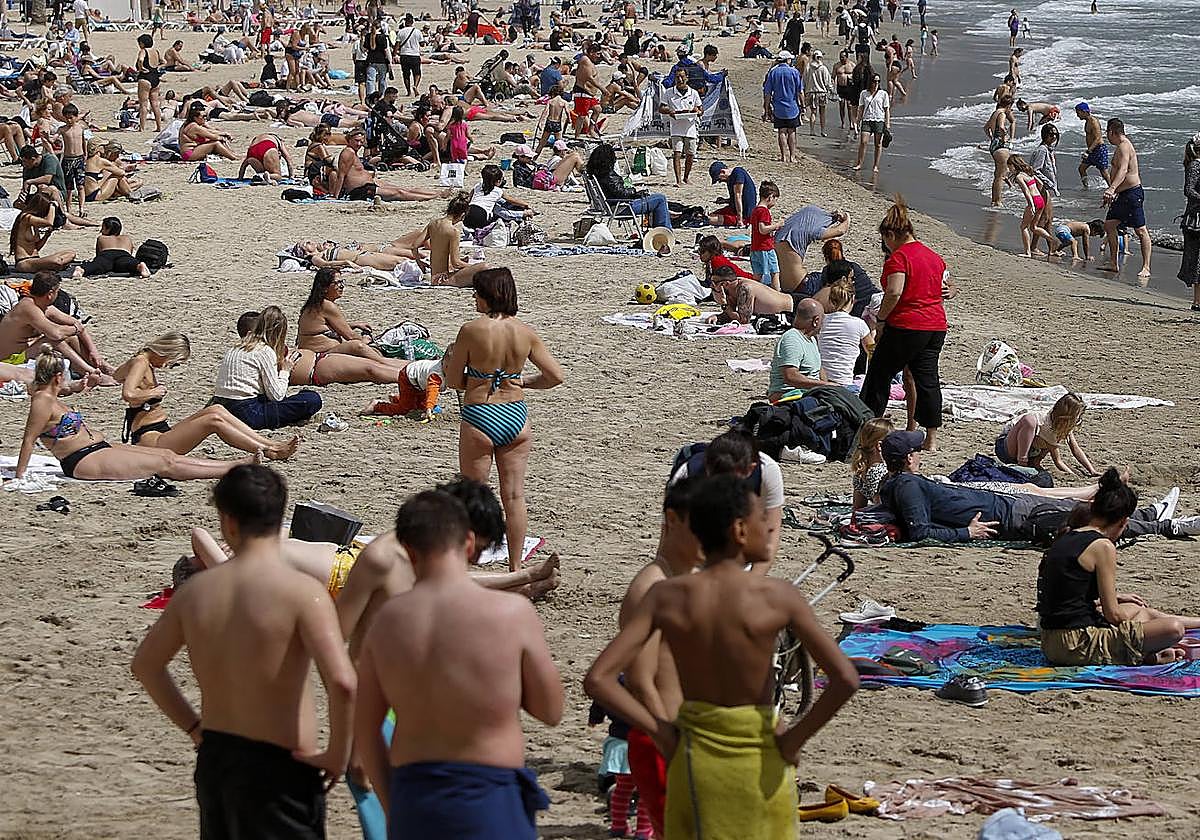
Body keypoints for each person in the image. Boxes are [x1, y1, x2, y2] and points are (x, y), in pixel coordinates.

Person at [584, 474, 859, 840]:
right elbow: (845, 679)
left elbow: (599, 678)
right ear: (740, 530)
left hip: (695, 755)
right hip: (761, 756)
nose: (770, 530)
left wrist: (662, 732)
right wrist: (794, 740)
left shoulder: (667, 596)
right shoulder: (778, 597)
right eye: (764, 521)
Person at [132, 465, 356, 839]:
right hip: (285, 760)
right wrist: (338, 753)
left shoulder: (194, 594)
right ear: (281, 515)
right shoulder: (301, 593)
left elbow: (146, 666)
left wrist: (193, 727)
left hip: (218, 756)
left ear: (228, 522)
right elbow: (344, 683)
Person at [353, 490, 562, 836]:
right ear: (468, 542)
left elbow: (367, 729)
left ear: (408, 549)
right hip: (489, 794)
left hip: (415, 794)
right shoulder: (511, 614)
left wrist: (393, 806)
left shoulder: (387, 622)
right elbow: (550, 711)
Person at [441, 268, 564, 571]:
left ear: (488, 295)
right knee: (514, 495)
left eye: (477, 292)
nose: (473, 298)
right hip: (516, 415)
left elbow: (455, 380)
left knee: (472, 493)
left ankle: (463, 567)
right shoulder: (525, 332)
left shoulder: (471, 330)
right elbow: (555, 376)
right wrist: (523, 382)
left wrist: (478, 377)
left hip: (481, 413)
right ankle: (515, 567)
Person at [877, 430, 1200, 542]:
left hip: (1009, 506)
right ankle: (1167, 527)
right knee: (1087, 519)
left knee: (1081, 508)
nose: (921, 453)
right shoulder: (906, 486)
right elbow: (919, 530)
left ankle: (1149, 513)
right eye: (916, 450)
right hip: (1013, 517)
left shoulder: (898, 483)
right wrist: (966, 533)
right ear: (907, 458)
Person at [1037, 468, 1200, 666]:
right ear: (1124, 522)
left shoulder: (1068, 535)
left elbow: (1066, 598)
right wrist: (1138, 626)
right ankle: (1145, 655)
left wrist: (1131, 612)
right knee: (1173, 629)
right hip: (1075, 644)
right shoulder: (1102, 546)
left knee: (1137, 610)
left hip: (1050, 639)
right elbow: (1113, 615)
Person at [14, 346, 250, 481]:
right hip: (82, 460)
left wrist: (87, 383)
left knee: (166, 454)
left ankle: (233, 465)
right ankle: (231, 469)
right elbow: (28, 439)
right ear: (56, 376)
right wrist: (20, 476)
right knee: (164, 463)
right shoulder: (42, 401)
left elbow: (69, 388)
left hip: (98, 448)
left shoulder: (50, 394)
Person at [617, 478, 704, 838]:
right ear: (673, 521)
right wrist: (671, 742)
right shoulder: (652, 587)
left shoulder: (688, 578)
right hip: (666, 736)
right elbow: (639, 679)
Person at [859, 198, 954, 450]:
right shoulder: (934, 257)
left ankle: (869, 428)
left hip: (907, 325)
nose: (886, 247)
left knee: (879, 376)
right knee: (928, 380)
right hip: (936, 326)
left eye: (885, 241)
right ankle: (930, 439)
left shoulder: (899, 258)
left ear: (891, 234)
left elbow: (894, 292)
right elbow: (944, 287)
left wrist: (881, 319)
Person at [115, 332, 299, 459]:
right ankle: (269, 450)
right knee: (212, 422)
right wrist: (154, 391)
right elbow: (128, 394)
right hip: (152, 440)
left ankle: (271, 444)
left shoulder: (138, 360)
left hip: (159, 431)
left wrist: (99, 376)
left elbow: (117, 376)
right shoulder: (141, 362)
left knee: (216, 409)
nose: (169, 366)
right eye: (174, 362)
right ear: (168, 352)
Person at [211, 308, 323, 430]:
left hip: (222, 406)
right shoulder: (264, 351)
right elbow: (276, 396)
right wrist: (285, 370)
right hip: (247, 412)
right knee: (312, 399)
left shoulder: (237, 346)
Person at [996, 393, 1098, 477]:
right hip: (1006, 448)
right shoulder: (1045, 422)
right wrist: (1072, 475)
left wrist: (1091, 470)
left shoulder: (1062, 426)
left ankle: (1033, 463)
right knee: (1030, 421)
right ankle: (1022, 462)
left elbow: (1075, 449)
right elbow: (1058, 461)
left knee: (1043, 441)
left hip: (1030, 451)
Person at [1101, 118, 1152, 279]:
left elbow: (1123, 170)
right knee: (1109, 225)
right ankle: (1114, 263)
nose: (1106, 136)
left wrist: (1111, 188)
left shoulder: (1124, 146)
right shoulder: (1119, 146)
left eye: (1107, 133)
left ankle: (1146, 267)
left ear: (1112, 132)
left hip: (1132, 194)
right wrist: (1114, 192)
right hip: (1121, 194)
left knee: (1140, 230)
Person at [587, 142, 671, 229]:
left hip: (611, 206)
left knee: (656, 199)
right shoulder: (609, 175)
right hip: (622, 208)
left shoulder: (597, 173)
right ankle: (665, 231)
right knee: (660, 198)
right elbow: (622, 193)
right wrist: (634, 191)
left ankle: (660, 232)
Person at [419, 191, 491, 286]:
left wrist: (419, 262)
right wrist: (473, 266)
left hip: (434, 276)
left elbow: (414, 246)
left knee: (471, 264)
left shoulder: (433, 223)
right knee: (485, 267)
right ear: (462, 215)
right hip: (443, 278)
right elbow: (456, 263)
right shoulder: (453, 231)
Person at [767, 298, 829, 402]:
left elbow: (819, 370)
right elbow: (790, 377)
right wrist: (826, 385)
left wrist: (831, 389)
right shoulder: (791, 339)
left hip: (809, 393)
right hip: (790, 396)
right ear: (816, 320)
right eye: (823, 319)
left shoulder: (812, 339)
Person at [775, 205, 851, 288]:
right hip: (801, 284)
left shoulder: (784, 228)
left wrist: (834, 217)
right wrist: (847, 217)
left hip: (780, 283)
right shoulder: (812, 231)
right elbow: (841, 230)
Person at [817, 280, 872, 386]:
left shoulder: (820, 321)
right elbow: (872, 351)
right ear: (852, 299)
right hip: (844, 382)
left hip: (820, 381)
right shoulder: (859, 324)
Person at [9, 192, 76, 273]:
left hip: (36, 259)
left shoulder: (34, 222)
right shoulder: (26, 217)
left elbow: (36, 247)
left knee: (71, 253)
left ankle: (54, 265)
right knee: (57, 260)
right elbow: (49, 222)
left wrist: (46, 236)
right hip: (24, 261)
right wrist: (52, 206)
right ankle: (57, 265)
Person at [71, 216, 150, 278]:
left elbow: (98, 255)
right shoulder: (127, 238)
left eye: (103, 228)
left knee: (97, 265)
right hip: (123, 254)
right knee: (129, 263)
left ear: (108, 229)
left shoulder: (102, 238)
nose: (101, 231)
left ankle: (81, 269)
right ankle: (140, 266)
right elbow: (129, 253)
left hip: (106, 254)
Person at [660, 72, 702, 187]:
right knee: (677, 154)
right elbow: (661, 108)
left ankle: (686, 177)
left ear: (687, 78)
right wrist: (670, 111)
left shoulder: (693, 93)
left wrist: (696, 111)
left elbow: (700, 109)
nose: (679, 79)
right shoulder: (669, 93)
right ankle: (678, 180)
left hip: (690, 128)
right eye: (677, 77)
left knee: (690, 155)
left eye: (682, 77)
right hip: (676, 128)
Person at [762, 51, 803, 164]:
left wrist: (766, 109)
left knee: (781, 131)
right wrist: (803, 106)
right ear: (788, 60)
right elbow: (800, 91)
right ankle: (792, 156)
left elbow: (767, 93)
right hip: (792, 106)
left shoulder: (773, 72)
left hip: (778, 107)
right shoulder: (794, 72)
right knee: (792, 131)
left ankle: (784, 156)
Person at [749, 181, 783, 289]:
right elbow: (762, 229)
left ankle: (757, 293)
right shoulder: (764, 211)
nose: (775, 203)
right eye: (775, 199)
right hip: (765, 248)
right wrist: (777, 225)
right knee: (774, 273)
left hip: (755, 248)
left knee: (757, 276)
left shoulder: (755, 210)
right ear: (770, 197)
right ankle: (777, 295)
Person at [1180, 132, 1200, 312]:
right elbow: (1188, 190)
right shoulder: (1195, 165)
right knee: (1196, 261)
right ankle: (1196, 301)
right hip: (1195, 220)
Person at [854, 73, 889, 172]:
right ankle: (859, 163)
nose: (876, 83)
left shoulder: (883, 94)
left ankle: (876, 166)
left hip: (879, 120)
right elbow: (860, 108)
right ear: (870, 82)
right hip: (867, 120)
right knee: (863, 142)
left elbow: (886, 110)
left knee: (878, 144)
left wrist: (887, 123)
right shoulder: (864, 93)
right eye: (874, 81)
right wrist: (857, 121)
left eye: (878, 81)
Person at [984, 95, 1014, 206]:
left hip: (993, 146)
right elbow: (1001, 127)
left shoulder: (995, 113)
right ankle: (998, 201)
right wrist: (1005, 136)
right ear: (1009, 105)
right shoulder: (1002, 114)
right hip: (1001, 146)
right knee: (1001, 175)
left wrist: (992, 138)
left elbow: (986, 128)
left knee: (997, 175)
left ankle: (994, 200)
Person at [708, 161, 758, 227]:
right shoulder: (730, 178)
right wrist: (725, 200)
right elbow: (740, 198)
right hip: (734, 209)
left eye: (719, 179)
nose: (720, 182)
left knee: (709, 219)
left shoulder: (738, 173)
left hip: (745, 215)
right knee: (710, 215)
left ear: (723, 171)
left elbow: (738, 196)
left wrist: (740, 220)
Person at [135, 33, 164, 133]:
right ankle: (159, 127)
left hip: (145, 78)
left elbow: (140, 59)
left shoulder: (143, 51)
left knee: (143, 104)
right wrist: (158, 68)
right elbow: (163, 62)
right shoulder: (156, 51)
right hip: (156, 77)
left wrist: (140, 67)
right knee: (155, 104)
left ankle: (142, 127)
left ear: (142, 43)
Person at [1076, 102, 1110, 187]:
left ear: (1084, 112)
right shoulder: (1087, 121)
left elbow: (1098, 138)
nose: (1077, 115)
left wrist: (1088, 151)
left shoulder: (1093, 122)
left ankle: (1112, 189)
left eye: (1078, 113)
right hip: (1092, 150)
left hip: (1098, 149)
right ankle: (1086, 186)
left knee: (1104, 172)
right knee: (1082, 168)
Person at [393, 13, 423, 96]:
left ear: (405, 22)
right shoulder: (417, 32)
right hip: (415, 55)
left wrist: (394, 55)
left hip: (404, 55)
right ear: (412, 22)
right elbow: (422, 44)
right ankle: (415, 86)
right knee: (417, 73)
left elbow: (397, 45)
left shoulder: (401, 32)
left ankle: (408, 91)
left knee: (406, 74)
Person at [804, 49, 832, 137]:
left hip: (811, 92)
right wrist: (831, 89)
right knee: (822, 113)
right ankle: (822, 131)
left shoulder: (808, 67)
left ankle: (812, 130)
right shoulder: (823, 68)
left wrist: (804, 89)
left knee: (813, 112)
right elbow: (827, 81)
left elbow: (804, 80)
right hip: (821, 93)